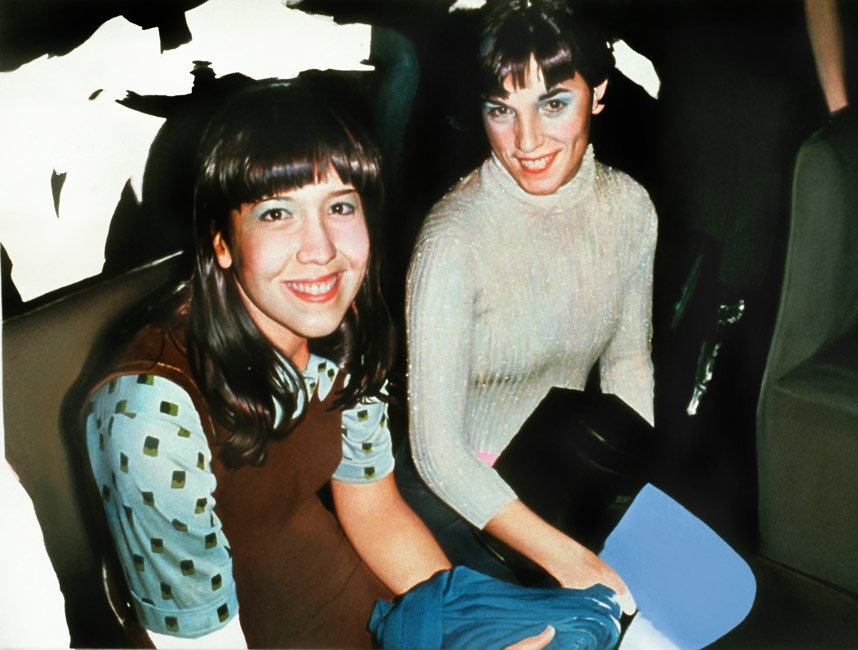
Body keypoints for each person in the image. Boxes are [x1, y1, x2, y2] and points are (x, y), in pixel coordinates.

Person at [76, 79, 561, 649]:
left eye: (340, 206)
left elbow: (375, 510)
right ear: (221, 243)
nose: (322, 249)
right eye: (277, 213)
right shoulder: (148, 412)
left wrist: (465, 628)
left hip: (367, 610)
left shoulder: (343, 326)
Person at [403, 0, 655, 606]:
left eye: (553, 104)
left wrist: (633, 497)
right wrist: (569, 558)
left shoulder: (629, 208)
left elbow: (627, 363)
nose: (527, 140)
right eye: (502, 110)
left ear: (598, 93)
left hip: (559, 476)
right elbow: (436, 453)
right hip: (460, 503)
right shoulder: (452, 242)